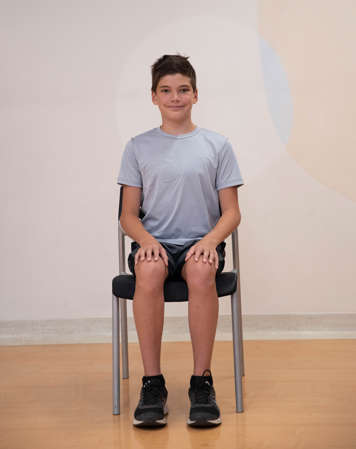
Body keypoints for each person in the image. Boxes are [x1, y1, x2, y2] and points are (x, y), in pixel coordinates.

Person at [117, 53, 244, 428]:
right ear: (153, 96)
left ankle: (201, 382)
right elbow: (128, 214)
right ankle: (152, 384)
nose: (176, 97)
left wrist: (210, 241)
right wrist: (145, 240)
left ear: (196, 94)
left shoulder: (217, 145)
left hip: (200, 241)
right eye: (166, 90)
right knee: (150, 270)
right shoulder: (138, 147)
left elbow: (232, 212)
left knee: (203, 272)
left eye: (183, 89)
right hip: (154, 240)